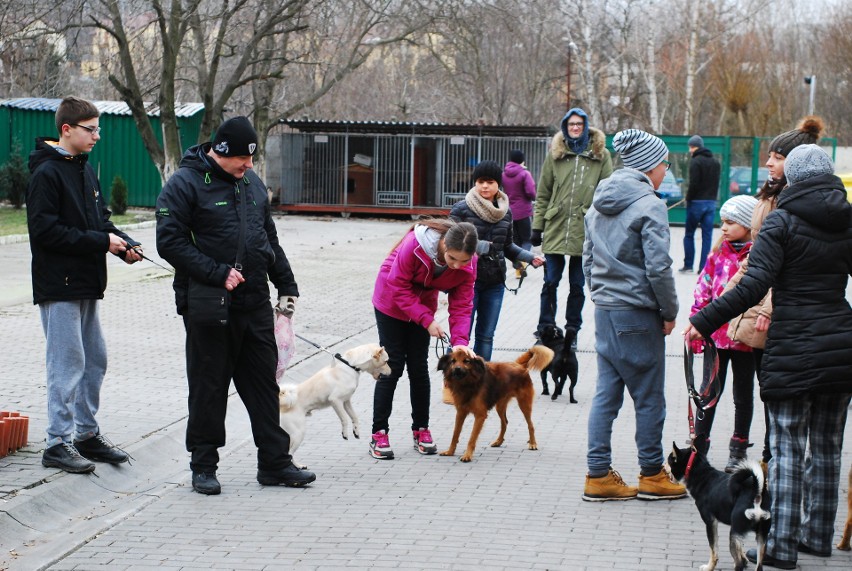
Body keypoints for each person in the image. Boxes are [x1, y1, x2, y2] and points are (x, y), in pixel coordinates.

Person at [686, 144, 852, 569]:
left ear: (792, 178)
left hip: (793, 347)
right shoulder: (847, 218)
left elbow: (751, 287)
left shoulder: (782, 221)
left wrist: (704, 320)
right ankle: (817, 537)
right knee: (830, 448)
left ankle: (780, 548)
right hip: (839, 346)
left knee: (789, 448)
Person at [156, 116, 315, 495]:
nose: (249, 166)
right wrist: (216, 272)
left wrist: (286, 284)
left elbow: (268, 239)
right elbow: (170, 242)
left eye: (252, 159)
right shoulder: (185, 183)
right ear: (220, 151)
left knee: (263, 385)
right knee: (209, 387)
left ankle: (274, 464)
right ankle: (204, 466)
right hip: (209, 304)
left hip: (255, 303)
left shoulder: (252, 184)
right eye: (242, 159)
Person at [26, 96, 141, 474]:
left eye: (98, 129)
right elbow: (45, 232)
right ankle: (57, 442)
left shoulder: (84, 169)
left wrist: (121, 244)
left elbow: (99, 221)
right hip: (58, 285)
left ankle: (86, 435)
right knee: (67, 363)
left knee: (95, 359)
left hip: (87, 282)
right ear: (66, 129)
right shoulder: (46, 173)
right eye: (90, 130)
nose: (97, 136)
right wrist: (100, 242)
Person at [581, 129, 686, 502]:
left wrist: (600, 295)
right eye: (664, 164)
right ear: (649, 166)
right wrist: (669, 311)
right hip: (639, 315)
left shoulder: (598, 202)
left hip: (607, 311)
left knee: (606, 395)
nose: (666, 171)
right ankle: (652, 474)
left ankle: (597, 475)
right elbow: (659, 268)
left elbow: (587, 258)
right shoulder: (650, 204)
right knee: (649, 398)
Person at [724, 116, 824, 472]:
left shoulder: (794, 203)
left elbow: (786, 263)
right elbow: (756, 255)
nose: (768, 162)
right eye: (769, 156)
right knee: (761, 383)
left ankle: (774, 457)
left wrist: (767, 306)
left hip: (774, 307)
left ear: (794, 162)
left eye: (777, 157)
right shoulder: (770, 194)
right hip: (755, 300)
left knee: (775, 385)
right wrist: (725, 295)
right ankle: (767, 456)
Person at [370, 218, 478, 460]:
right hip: (390, 301)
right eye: (453, 259)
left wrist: (461, 341)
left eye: (464, 261)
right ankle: (379, 433)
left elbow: (462, 303)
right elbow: (397, 285)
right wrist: (426, 320)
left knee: (419, 368)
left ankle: (421, 430)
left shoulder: (469, 264)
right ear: (443, 246)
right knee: (392, 366)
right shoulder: (415, 245)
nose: (458, 266)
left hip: (423, 305)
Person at [688, 195, 758, 471]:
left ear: (747, 224)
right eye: (723, 222)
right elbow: (702, 291)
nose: (724, 228)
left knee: (743, 395)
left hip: (744, 340)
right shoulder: (717, 255)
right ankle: (699, 446)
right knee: (708, 393)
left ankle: (738, 448)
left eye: (731, 222)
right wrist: (697, 325)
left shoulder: (758, 255)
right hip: (715, 337)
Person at [532, 108, 612, 344]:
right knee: (550, 282)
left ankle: (572, 330)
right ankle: (545, 328)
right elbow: (544, 192)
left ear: (586, 127)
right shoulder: (555, 155)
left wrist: (603, 229)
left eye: (579, 124)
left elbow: (607, 193)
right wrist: (537, 227)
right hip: (556, 227)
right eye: (571, 124)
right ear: (565, 127)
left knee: (577, 284)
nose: (575, 128)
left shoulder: (601, 155)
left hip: (586, 229)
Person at [449, 160, 544, 360]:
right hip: (467, 282)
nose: (485, 186)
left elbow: (507, 246)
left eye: (490, 182)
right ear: (475, 182)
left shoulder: (505, 211)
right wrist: (482, 246)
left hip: (494, 283)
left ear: (498, 184)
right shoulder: (461, 209)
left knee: (486, 337)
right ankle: (453, 383)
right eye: (481, 181)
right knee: (461, 338)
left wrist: (530, 257)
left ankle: (482, 383)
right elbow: (450, 243)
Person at [680, 135, 721, 274]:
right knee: (707, 236)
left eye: (690, 147)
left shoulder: (695, 161)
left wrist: (688, 197)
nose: (690, 150)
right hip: (710, 202)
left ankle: (688, 265)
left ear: (693, 147)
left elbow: (694, 183)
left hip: (696, 202)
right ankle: (703, 267)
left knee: (689, 234)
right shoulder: (715, 162)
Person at [502, 149, 536, 278]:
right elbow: (530, 192)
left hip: (509, 211)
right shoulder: (524, 174)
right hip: (524, 212)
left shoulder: (503, 174)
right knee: (526, 240)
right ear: (522, 160)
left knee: (514, 241)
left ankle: (518, 270)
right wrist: (533, 197)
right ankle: (522, 261)